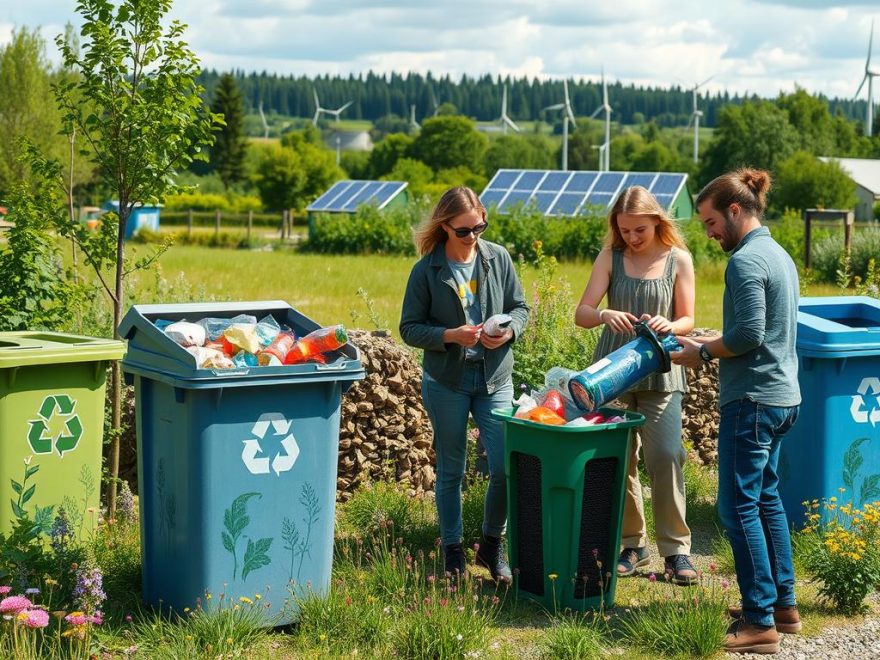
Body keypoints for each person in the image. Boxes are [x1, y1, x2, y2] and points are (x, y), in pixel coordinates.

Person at [672, 168, 801, 655]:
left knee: (736, 506)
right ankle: (783, 606)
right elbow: (759, 330)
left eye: (708, 222)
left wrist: (700, 353)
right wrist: (709, 338)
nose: (707, 233)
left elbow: (749, 335)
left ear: (733, 210)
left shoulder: (745, 262)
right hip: (782, 396)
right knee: (766, 499)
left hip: (752, 400)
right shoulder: (778, 254)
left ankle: (759, 620)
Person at [400, 186, 529, 582]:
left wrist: (508, 334)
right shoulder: (426, 270)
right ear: (445, 226)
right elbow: (409, 328)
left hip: (495, 377)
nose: (474, 236)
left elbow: (520, 308)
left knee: (507, 466)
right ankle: (453, 551)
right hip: (447, 380)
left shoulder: (498, 258)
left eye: (479, 227)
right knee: (452, 470)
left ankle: (492, 546)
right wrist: (450, 336)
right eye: (465, 230)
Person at [574, 185, 697, 586]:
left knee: (666, 456)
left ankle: (676, 551)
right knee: (619, 461)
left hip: (661, 371)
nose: (632, 237)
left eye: (639, 229)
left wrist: (670, 325)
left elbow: (688, 321)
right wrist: (604, 312)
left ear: (657, 221)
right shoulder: (611, 257)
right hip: (610, 375)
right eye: (624, 230)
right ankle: (633, 544)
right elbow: (583, 313)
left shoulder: (679, 259)